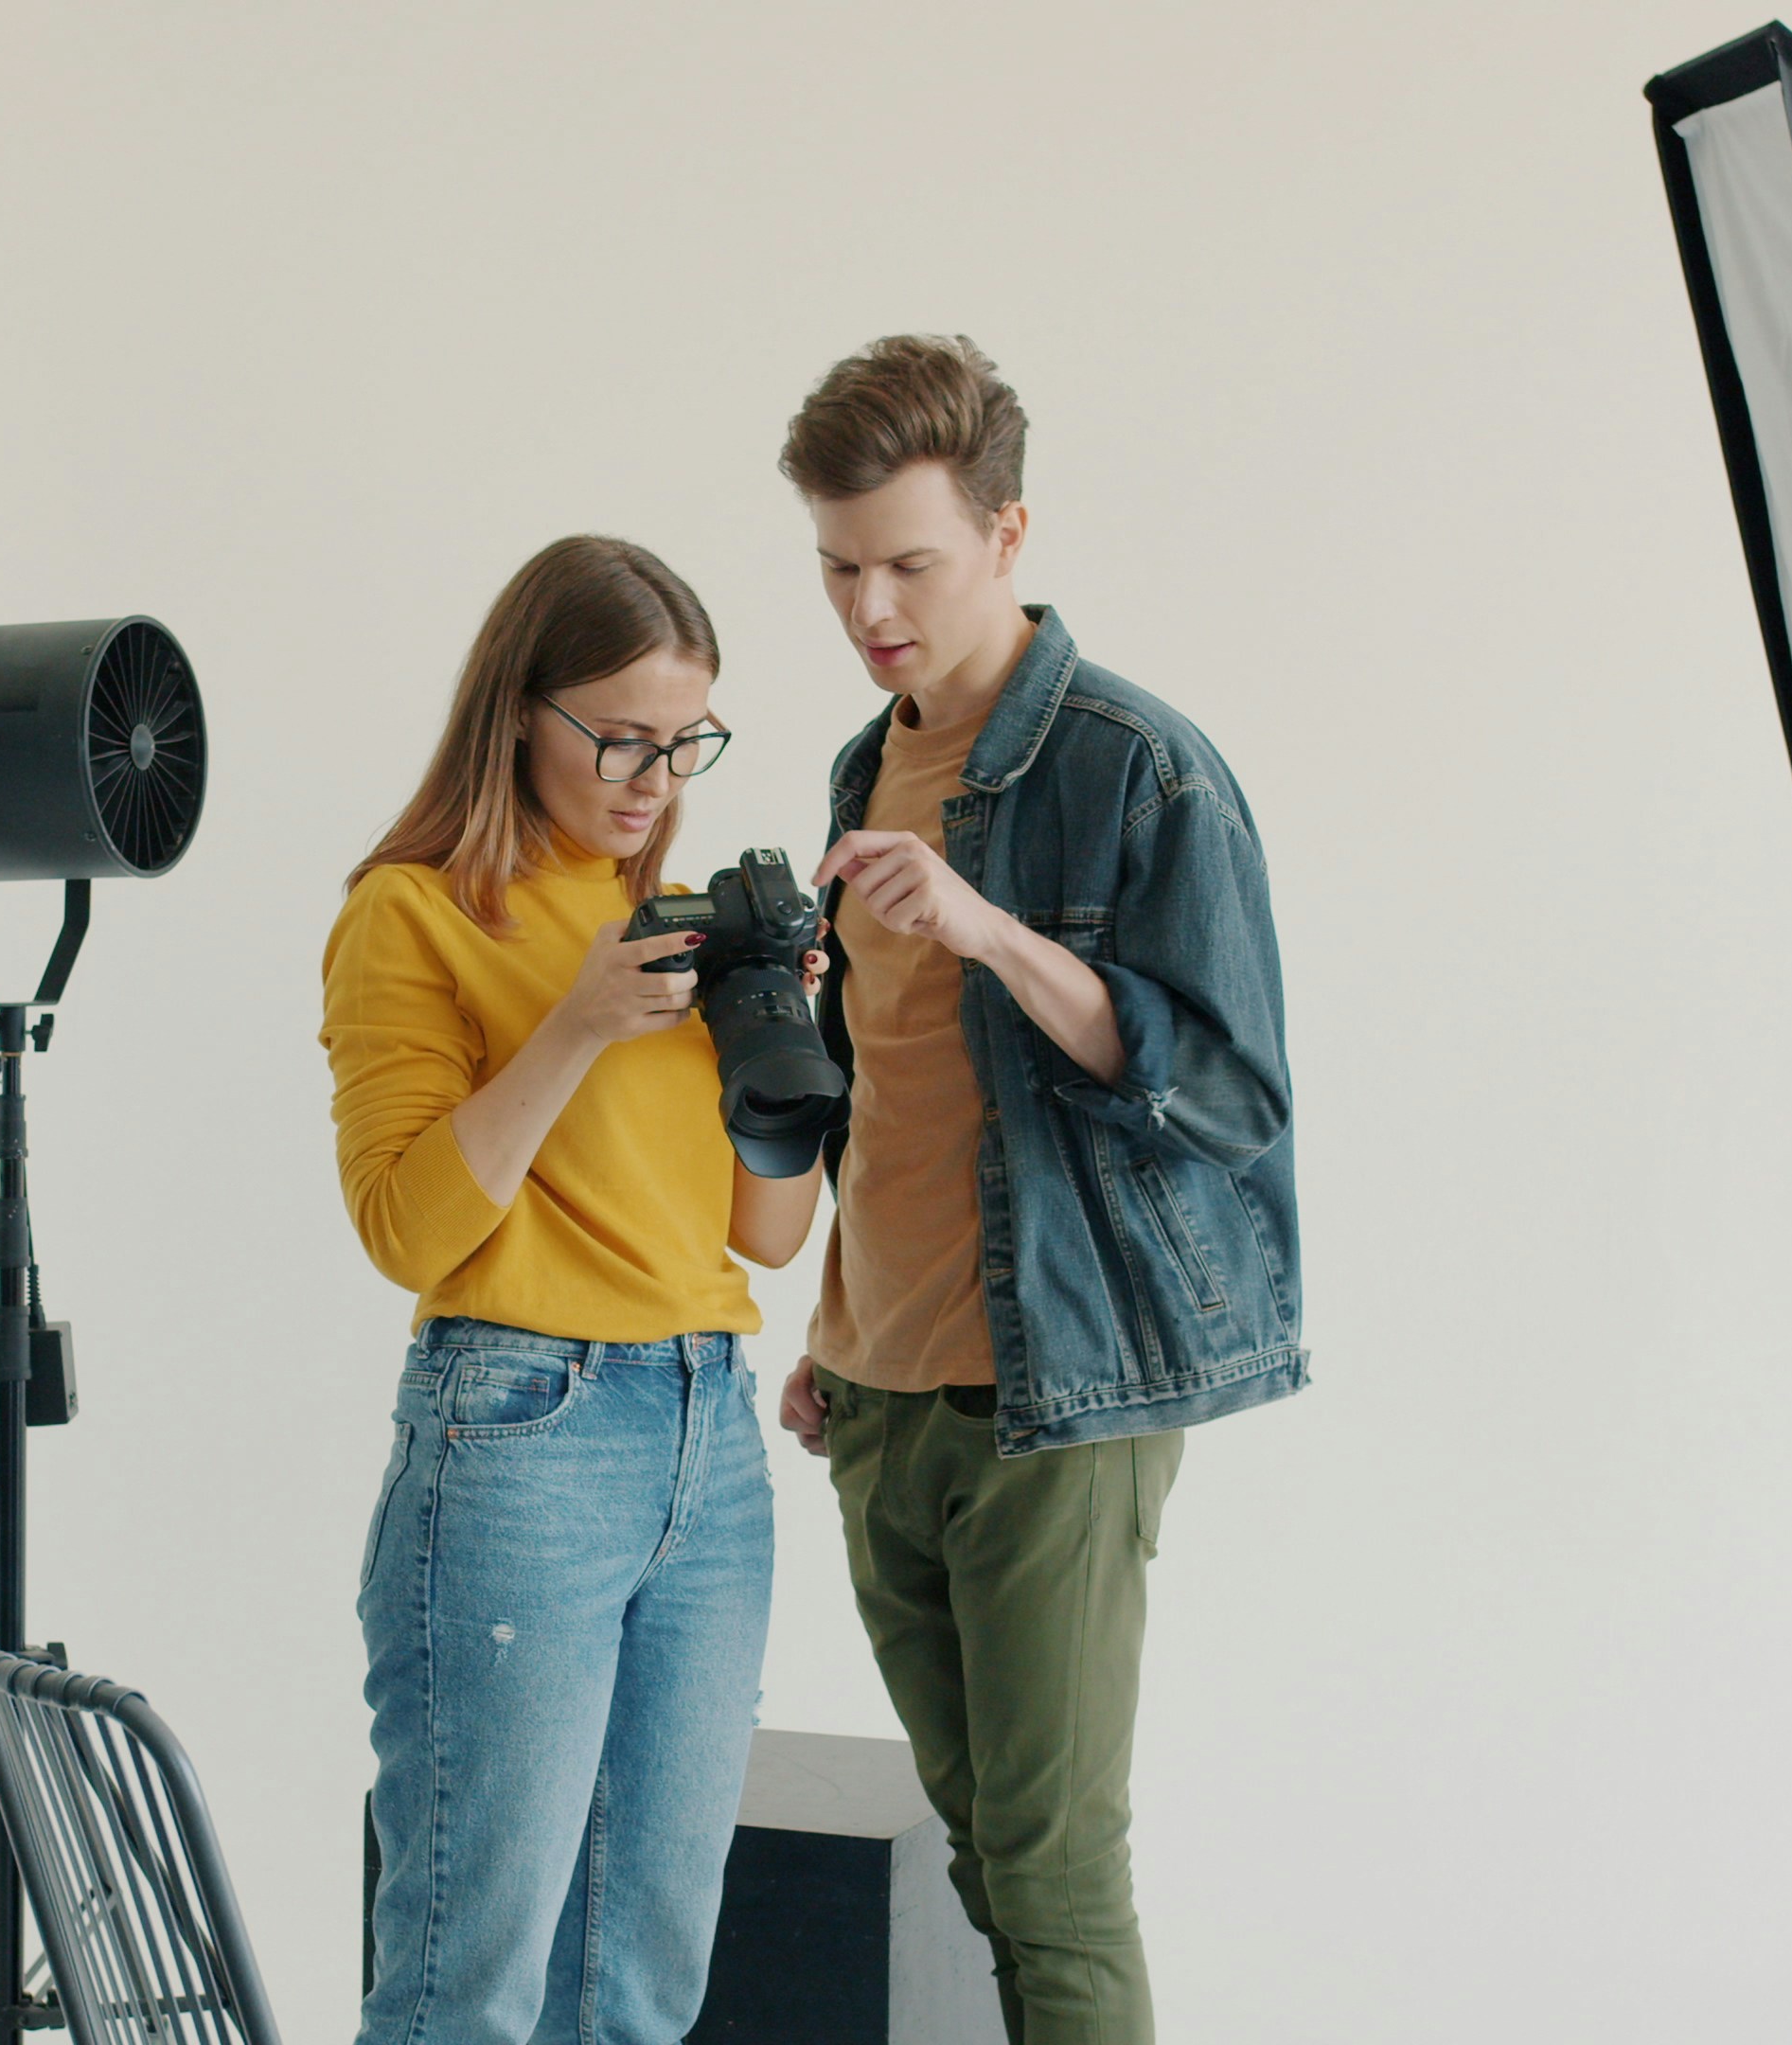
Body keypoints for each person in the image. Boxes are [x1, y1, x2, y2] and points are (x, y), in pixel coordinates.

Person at [773, 335, 1304, 2045]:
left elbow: (1228, 1094)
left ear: (1010, 535)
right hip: (877, 1389)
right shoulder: (867, 767)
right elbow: (894, 1087)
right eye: (840, 567)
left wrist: (997, 930)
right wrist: (834, 1322)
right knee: (987, 1866)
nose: (872, 607)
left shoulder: (1138, 768)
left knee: (1057, 1879)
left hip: (1054, 1400)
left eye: (910, 564)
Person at [326, 534, 824, 2045]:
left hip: (708, 1437)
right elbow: (405, 1228)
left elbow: (771, 1236)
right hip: (519, 1437)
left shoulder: (689, 934)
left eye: (683, 743)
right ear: (516, 713)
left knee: (641, 1978)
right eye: (618, 736)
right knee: (466, 1976)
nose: (652, 779)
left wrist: (790, 1054)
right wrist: (575, 1025)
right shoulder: (415, 914)